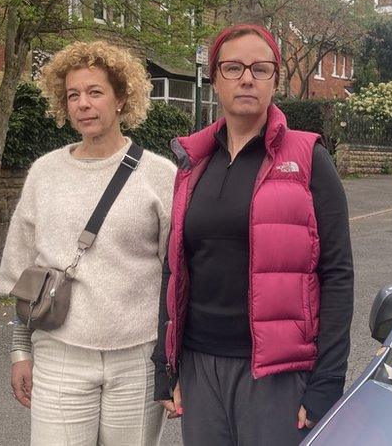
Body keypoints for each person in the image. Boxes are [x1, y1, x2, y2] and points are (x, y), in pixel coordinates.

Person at [151, 24, 354, 445]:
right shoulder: (192, 165)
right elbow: (174, 269)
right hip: (200, 364)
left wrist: (327, 381)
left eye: (260, 69)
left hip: (278, 376)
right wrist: (166, 366)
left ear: (275, 80)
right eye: (233, 68)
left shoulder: (309, 158)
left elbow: (337, 273)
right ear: (215, 79)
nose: (247, 78)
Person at [0, 41, 176, 446]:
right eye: (73, 95)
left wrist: (171, 362)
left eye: (95, 92)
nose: (83, 104)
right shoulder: (45, 173)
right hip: (59, 353)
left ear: (121, 98)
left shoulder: (159, 176)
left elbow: (177, 277)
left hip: (138, 358)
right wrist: (19, 351)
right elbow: (26, 276)